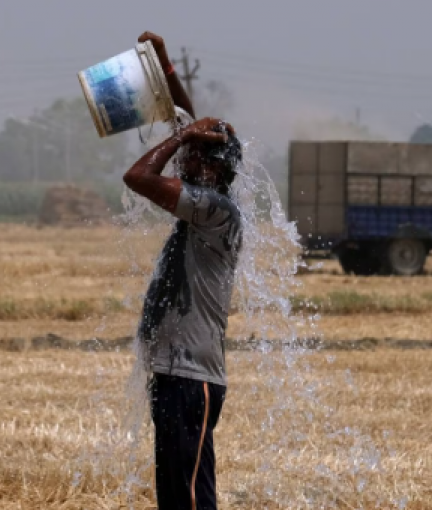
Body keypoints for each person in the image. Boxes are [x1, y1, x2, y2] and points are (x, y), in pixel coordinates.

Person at [123, 31, 243, 510]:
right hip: (176, 375)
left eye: (194, 155)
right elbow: (188, 122)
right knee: (177, 499)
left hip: (193, 380)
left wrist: (183, 135)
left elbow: (138, 178)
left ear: (213, 171)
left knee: (191, 500)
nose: (185, 160)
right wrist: (166, 66)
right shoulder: (206, 202)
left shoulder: (215, 210)